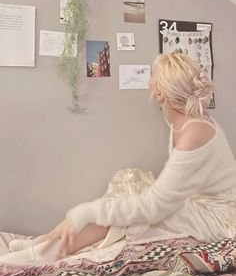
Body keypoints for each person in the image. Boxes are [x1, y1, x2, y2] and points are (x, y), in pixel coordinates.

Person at [1, 53, 236, 265]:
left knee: (132, 212)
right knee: (129, 181)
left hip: (218, 219)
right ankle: (44, 244)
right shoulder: (186, 121)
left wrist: (86, 211)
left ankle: (42, 254)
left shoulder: (194, 131)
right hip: (197, 201)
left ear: (159, 93)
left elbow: (154, 207)